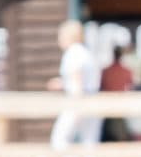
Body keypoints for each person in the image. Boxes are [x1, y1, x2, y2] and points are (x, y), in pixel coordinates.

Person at [48, 19, 102, 150]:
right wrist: (62, 83)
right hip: (92, 100)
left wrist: (77, 106)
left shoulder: (72, 53)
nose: (59, 39)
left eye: (60, 35)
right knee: (89, 143)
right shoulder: (85, 53)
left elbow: (77, 80)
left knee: (59, 139)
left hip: (77, 100)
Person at [99, 44, 134, 143]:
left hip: (108, 107)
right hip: (119, 107)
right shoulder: (126, 71)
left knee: (108, 136)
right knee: (120, 135)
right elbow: (130, 86)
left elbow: (102, 87)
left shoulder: (105, 71)